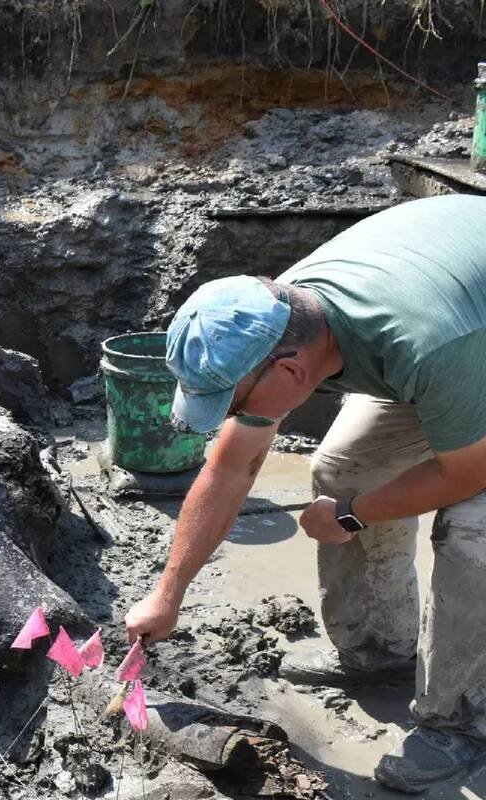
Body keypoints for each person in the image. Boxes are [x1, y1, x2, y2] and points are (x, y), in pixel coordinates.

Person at [123, 194, 486, 793]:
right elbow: (231, 467)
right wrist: (168, 593)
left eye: (233, 404)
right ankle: (376, 648)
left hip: (460, 342)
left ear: (292, 372)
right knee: (345, 466)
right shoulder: (272, 317)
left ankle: (464, 718)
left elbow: (467, 475)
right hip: (454, 339)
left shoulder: (424, 343)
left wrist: (353, 515)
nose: (229, 419)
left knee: (472, 530)